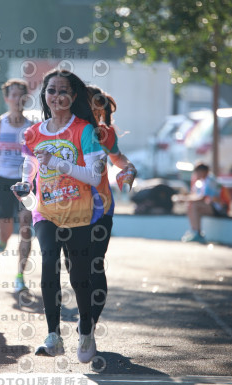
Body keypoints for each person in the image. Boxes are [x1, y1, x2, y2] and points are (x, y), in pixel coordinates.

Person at [16, 69, 104, 363]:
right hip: (46, 212)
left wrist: (57, 163)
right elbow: (29, 168)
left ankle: (86, 331)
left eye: (63, 91)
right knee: (49, 261)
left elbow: (94, 177)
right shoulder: (33, 132)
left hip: (79, 213)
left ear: (74, 96)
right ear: (44, 95)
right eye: (51, 90)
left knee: (79, 276)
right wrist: (24, 185)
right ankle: (53, 335)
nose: (57, 96)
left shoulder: (84, 130)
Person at [84, 85, 136, 330]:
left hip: (101, 208)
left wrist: (129, 168)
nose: (92, 113)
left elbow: (118, 158)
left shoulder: (105, 133)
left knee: (95, 263)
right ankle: (85, 316)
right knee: (74, 267)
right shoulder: (65, 131)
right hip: (68, 209)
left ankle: (90, 323)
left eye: (96, 109)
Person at [0, 79, 34, 293]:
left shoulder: (32, 128)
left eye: (21, 95)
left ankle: (20, 276)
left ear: (26, 99)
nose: (17, 99)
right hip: (2, 182)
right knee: (5, 231)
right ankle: (2, 240)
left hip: (24, 182)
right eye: (13, 95)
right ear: (6, 98)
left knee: (25, 226)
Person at [173, 162, 229, 243]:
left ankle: (197, 233)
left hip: (219, 209)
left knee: (194, 205)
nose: (196, 174)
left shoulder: (210, 181)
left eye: (198, 172)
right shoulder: (201, 182)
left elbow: (202, 198)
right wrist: (184, 198)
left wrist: (185, 199)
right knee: (190, 205)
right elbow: (195, 195)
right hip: (210, 206)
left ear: (204, 172)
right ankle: (195, 231)